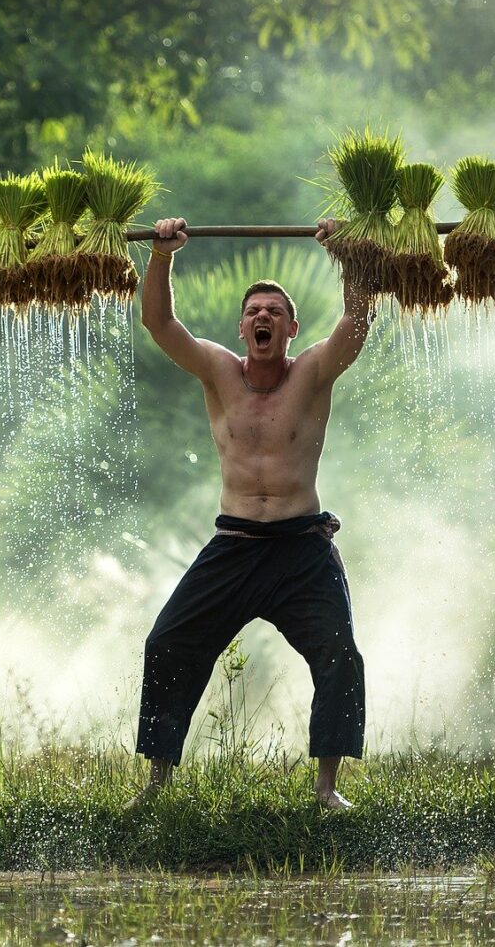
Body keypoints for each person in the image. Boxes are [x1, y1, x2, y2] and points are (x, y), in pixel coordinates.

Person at [132, 217, 374, 809]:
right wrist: (163, 254)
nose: (263, 317)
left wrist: (347, 255)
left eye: (274, 311)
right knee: (167, 644)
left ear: (291, 328)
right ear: (242, 328)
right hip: (235, 543)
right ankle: (159, 782)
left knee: (340, 654)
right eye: (254, 311)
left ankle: (327, 788)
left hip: (301, 547)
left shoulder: (313, 373)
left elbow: (358, 320)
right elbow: (159, 323)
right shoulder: (219, 370)